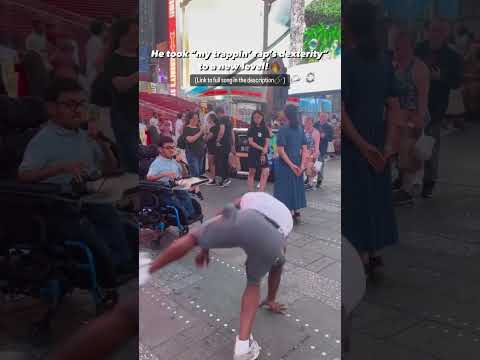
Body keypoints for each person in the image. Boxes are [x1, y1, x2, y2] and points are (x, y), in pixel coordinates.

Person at [17, 78, 135, 306]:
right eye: (70, 104)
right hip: (55, 205)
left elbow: (109, 169)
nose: (78, 110)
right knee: (95, 229)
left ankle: (122, 265)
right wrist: (60, 168)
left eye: (82, 104)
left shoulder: (83, 136)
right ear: (52, 108)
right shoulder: (43, 140)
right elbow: (23, 176)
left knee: (119, 221)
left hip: (86, 199)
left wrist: (102, 143)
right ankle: (108, 275)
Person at [148, 192, 293, 360]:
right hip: (273, 235)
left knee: (193, 237)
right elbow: (281, 251)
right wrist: (268, 266)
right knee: (254, 283)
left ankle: (147, 270)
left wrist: (205, 245)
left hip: (244, 220)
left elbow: (222, 214)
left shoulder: (253, 196)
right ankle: (243, 347)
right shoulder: (286, 215)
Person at [342, 2, 401, 279]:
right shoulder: (383, 60)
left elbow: (341, 111)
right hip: (378, 137)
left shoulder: (348, 61)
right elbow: (393, 105)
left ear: (350, 26)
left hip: (357, 142)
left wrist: (362, 145)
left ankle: (362, 257)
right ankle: (375, 254)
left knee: (357, 199)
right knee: (376, 195)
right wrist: (387, 145)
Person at [415, 18, 462, 198]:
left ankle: (429, 180)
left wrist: (441, 77)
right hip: (414, 103)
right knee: (410, 141)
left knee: (430, 143)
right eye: (433, 30)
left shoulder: (452, 56)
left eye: (439, 31)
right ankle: (407, 176)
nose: (435, 34)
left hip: (435, 106)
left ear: (445, 34)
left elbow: (456, 82)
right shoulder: (419, 49)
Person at [392, 30, 431, 205]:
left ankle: (408, 190)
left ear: (410, 47)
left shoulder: (419, 68)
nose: (397, 51)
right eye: (396, 47)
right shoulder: (394, 66)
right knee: (399, 154)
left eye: (400, 47)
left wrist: (419, 120)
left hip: (412, 118)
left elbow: (423, 97)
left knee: (409, 153)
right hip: (396, 117)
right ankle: (402, 184)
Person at [104, 17, 139, 173]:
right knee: (130, 157)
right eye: (133, 34)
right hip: (124, 115)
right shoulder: (113, 59)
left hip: (139, 115)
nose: (136, 38)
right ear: (121, 37)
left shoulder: (141, 56)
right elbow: (120, 86)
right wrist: (140, 74)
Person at [146, 136, 198, 218]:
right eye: (168, 148)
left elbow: (185, 175)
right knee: (177, 201)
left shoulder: (174, 160)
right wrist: (163, 174)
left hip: (176, 187)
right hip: (164, 190)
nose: (171, 150)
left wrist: (181, 162)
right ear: (160, 149)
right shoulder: (157, 163)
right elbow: (149, 178)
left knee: (186, 196)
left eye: (173, 147)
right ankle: (186, 216)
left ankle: (191, 215)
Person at [274, 104, 308, 224]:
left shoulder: (283, 129)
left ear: (286, 114)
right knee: (296, 187)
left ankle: (286, 213)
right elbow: (305, 149)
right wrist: (302, 165)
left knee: (284, 189)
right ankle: (297, 212)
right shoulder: (300, 128)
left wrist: (291, 165)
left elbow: (280, 150)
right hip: (298, 162)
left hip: (285, 164)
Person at [247, 110, 270, 192]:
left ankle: (261, 191)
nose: (256, 119)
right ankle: (250, 192)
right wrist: (262, 148)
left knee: (266, 171)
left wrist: (265, 150)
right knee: (252, 172)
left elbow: (267, 141)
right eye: (254, 118)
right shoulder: (251, 129)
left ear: (262, 117)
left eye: (258, 117)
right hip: (253, 152)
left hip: (263, 153)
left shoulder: (265, 129)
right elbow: (251, 142)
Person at [214, 106, 233, 187]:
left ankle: (222, 179)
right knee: (225, 161)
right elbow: (232, 133)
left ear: (218, 113)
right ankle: (227, 179)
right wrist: (233, 144)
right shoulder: (229, 120)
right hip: (228, 143)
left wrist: (217, 140)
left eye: (216, 115)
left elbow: (222, 131)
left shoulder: (221, 119)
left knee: (220, 162)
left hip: (222, 143)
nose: (217, 116)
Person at [314, 113, 334, 187]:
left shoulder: (329, 127)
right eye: (321, 116)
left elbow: (331, 138)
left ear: (326, 118)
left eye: (324, 117)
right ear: (319, 117)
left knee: (319, 164)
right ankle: (309, 177)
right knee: (311, 162)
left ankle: (319, 179)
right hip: (313, 147)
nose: (322, 118)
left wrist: (325, 136)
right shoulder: (315, 124)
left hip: (322, 148)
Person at [183, 111, 205, 177]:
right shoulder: (186, 128)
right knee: (195, 172)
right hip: (192, 153)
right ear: (189, 119)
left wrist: (207, 132)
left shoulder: (199, 128)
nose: (195, 120)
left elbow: (203, 139)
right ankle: (194, 186)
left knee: (199, 172)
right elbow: (190, 140)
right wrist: (201, 132)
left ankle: (196, 186)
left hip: (201, 152)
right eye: (193, 118)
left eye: (197, 118)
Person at [86, 19, 106, 87]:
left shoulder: (93, 40)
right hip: (94, 72)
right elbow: (97, 61)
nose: (106, 32)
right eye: (104, 30)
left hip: (92, 70)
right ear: (101, 30)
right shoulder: (96, 42)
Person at [303, 116, 320, 191]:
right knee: (305, 168)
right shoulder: (303, 131)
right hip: (304, 153)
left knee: (311, 168)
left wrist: (315, 155)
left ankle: (310, 184)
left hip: (311, 153)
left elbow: (317, 145)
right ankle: (308, 183)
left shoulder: (315, 132)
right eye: (306, 122)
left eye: (309, 123)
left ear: (312, 123)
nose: (307, 124)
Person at [204, 112, 219, 185]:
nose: (207, 120)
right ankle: (215, 178)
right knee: (213, 164)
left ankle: (213, 179)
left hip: (212, 147)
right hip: (215, 147)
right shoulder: (217, 127)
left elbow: (208, 138)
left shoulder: (213, 128)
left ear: (211, 119)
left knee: (211, 164)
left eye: (208, 118)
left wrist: (205, 135)